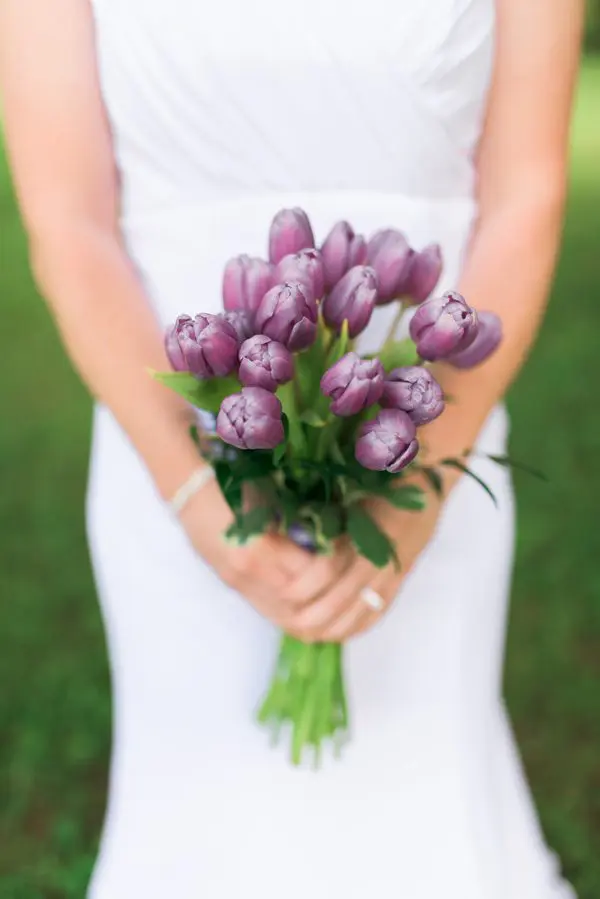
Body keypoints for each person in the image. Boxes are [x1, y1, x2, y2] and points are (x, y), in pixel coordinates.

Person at [0, 1, 583, 897]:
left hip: (434, 426)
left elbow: (529, 193)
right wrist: (195, 492)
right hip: (166, 440)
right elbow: (68, 221)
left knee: (421, 797)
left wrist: (417, 489)